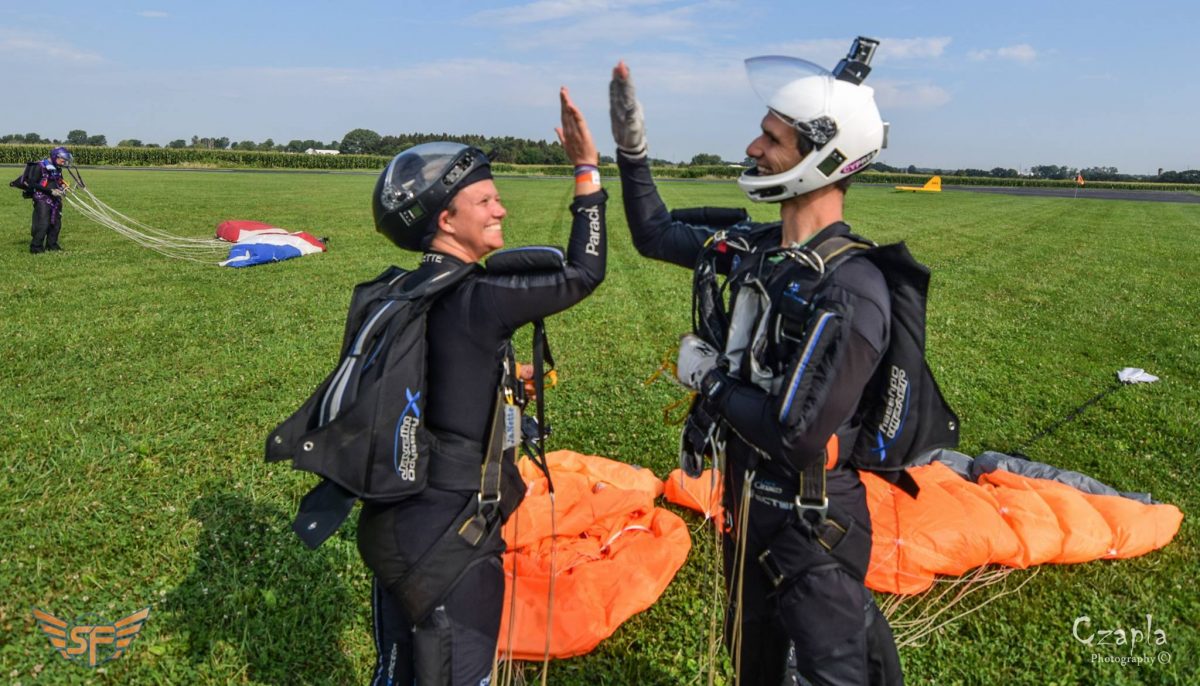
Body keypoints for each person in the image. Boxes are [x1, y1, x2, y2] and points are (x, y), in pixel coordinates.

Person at [610, 41, 907, 685]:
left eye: (771, 139)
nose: (752, 147)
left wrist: (708, 379)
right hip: (749, 513)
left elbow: (795, 436)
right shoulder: (760, 248)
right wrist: (631, 151)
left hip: (811, 531)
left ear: (821, 157)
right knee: (752, 668)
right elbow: (655, 235)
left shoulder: (851, 291)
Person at [349, 88, 604, 685]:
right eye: (486, 201)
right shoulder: (476, 298)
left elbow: (430, 375)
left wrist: (497, 381)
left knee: (398, 673)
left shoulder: (403, 291)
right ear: (446, 220)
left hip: (396, 525)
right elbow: (585, 271)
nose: (501, 211)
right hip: (451, 541)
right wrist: (587, 169)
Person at [28, 146, 71, 253]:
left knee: (56, 223)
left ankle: (52, 245)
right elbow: (32, 183)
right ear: (55, 156)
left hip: (55, 198)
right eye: (63, 159)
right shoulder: (40, 166)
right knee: (43, 223)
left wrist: (63, 187)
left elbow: (58, 180)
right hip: (42, 198)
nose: (64, 162)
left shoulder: (57, 167)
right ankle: (36, 247)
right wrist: (50, 191)